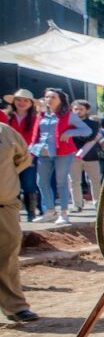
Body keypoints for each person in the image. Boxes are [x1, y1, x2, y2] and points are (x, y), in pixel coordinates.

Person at [28, 88, 92, 224]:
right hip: (43, 151)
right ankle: (50, 211)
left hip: (63, 152)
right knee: (41, 182)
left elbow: (87, 130)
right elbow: (36, 134)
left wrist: (70, 133)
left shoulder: (68, 115)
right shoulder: (41, 114)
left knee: (61, 182)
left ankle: (64, 213)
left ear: (61, 100)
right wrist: (31, 151)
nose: (49, 100)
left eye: (53, 97)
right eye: (47, 97)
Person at [1, 120, 38, 323]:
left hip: (4, 205)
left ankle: (15, 307)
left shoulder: (5, 131)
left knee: (8, 255)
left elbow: (23, 158)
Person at [2, 89, 41, 221]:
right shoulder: (4, 116)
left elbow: (38, 138)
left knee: (29, 184)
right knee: (12, 185)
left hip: (29, 156)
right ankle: (15, 214)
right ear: (13, 101)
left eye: (26, 100)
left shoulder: (36, 119)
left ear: (31, 103)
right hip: (8, 157)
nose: (22, 103)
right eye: (18, 99)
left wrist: (32, 154)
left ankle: (31, 213)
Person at [68, 99, 102, 212]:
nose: (78, 111)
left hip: (91, 156)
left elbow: (90, 137)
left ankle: (98, 203)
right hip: (72, 156)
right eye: (76, 109)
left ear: (87, 110)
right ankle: (77, 205)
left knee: (95, 181)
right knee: (74, 181)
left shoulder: (93, 123)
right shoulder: (68, 123)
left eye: (81, 109)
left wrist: (73, 134)